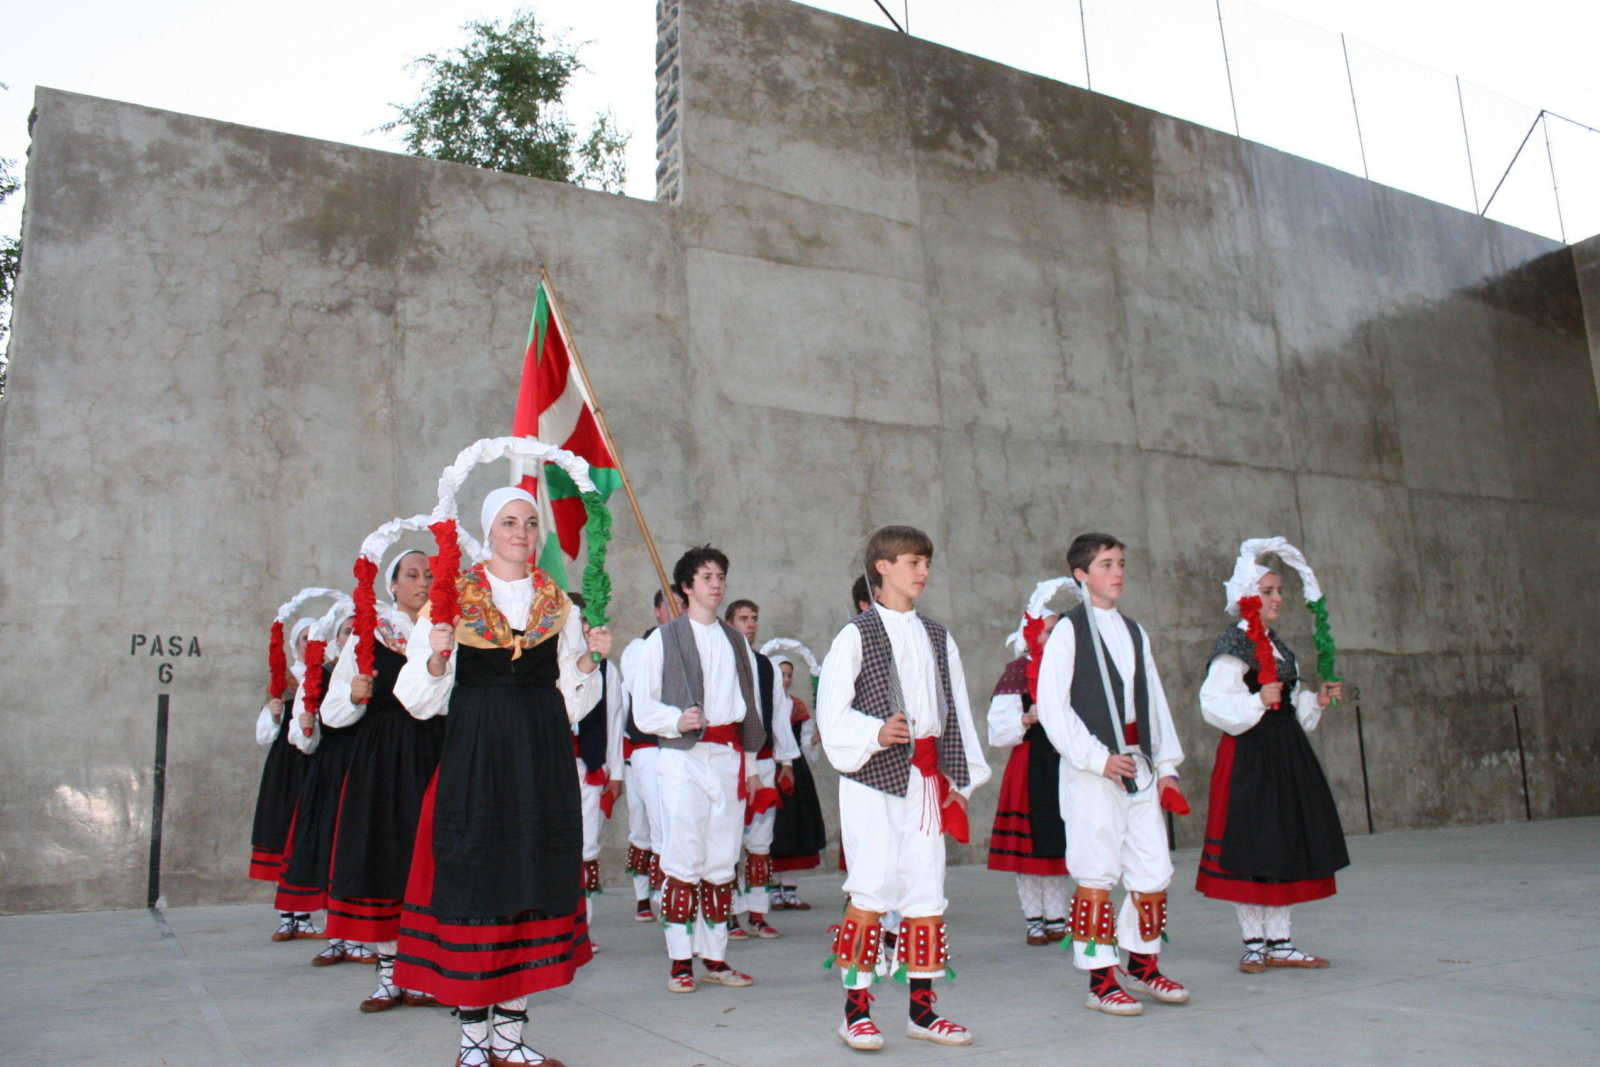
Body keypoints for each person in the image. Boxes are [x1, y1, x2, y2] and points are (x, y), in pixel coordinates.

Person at [393, 486, 610, 1067]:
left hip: (540, 756)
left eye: (530, 523)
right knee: (477, 884)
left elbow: (573, 700)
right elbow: (417, 700)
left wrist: (589, 660)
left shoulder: (557, 604)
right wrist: (436, 656)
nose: (521, 532)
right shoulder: (452, 597)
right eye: (510, 522)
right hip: (477, 755)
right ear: (488, 530)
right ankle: (472, 1042)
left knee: (528, 881)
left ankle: (510, 1039)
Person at [817, 525, 990, 1051]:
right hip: (872, 779)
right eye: (913, 562)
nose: (923, 572)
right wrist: (875, 732)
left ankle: (923, 1011)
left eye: (927, 563)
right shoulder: (856, 634)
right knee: (870, 886)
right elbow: (831, 714)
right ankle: (855, 1012)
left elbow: (955, 710)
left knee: (925, 888)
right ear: (883, 566)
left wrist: (960, 780)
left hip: (926, 780)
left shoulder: (937, 635)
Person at [1036, 533, 1188, 1017]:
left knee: (1153, 869)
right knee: (1096, 870)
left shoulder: (1134, 631)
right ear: (1081, 575)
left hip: (1139, 765)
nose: (1117, 572)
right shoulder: (1069, 631)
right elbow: (1053, 707)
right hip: (1093, 772)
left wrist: (1167, 766)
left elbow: (1155, 700)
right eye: (1106, 564)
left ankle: (1142, 964)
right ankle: (1100, 980)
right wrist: (1097, 758)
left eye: (1121, 562)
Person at [628, 546, 766, 994]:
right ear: (686, 587)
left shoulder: (736, 641)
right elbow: (643, 706)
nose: (716, 584)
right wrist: (675, 719)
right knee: (683, 854)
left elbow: (751, 705)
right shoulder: (663, 639)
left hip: (728, 757)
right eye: (706, 577)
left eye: (720, 576)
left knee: (722, 857)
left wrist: (752, 763)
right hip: (683, 758)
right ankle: (679, 960)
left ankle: (716, 957)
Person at [1197, 566, 1348, 972]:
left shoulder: (1277, 645)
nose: (1278, 598)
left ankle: (1280, 943)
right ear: (1248, 597)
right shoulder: (1234, 645)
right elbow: (1213, 704)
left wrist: (1316, 701)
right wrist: (1257, 701)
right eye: (1267, 591)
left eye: (1279, 590)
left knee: (1281, 841)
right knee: (1251, 843)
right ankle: (1253, 943)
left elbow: (1290, 704)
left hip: (1285, 752)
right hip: (1250, 753)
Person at [320, 548, 446, 1011]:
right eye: (412, 574)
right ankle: (390, 973)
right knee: (387, 857)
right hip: (385, 758)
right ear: (392, 585)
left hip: (437, 751)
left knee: (429, 860)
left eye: (429, 574)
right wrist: (355, 696)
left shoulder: (447, 630)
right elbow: (332, 714)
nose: (422, 582)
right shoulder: (370, 635)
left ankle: (425, 972)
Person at [278, 606, 376, 967]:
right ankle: (337, 936)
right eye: (347, 631)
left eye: (357, 631)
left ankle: (361, 937)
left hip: (367, 764)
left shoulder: (374, 668)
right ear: (336, 639)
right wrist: (307, 726)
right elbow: (304, 737)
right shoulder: (321, 675)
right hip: (334, 768)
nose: (352, 637)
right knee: (333, 851)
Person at [986, 611, 1070, 946]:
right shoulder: (1018, 671)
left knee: (1058, 844)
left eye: (1058, 630)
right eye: (1048, 631)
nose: (1054, 636)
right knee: (1030, 848)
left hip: (1065, 761)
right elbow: (997, 729)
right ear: (1032, 634)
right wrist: (1025, 718)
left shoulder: (1070, 666)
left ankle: (1057, 917)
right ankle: (1034, 919)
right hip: (1030, 761)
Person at [723, 598, 801, 941]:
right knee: (728, 843)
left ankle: (757, 913)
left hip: (766, 761)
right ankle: (727, 914)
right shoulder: (721, 661)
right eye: (743, 618)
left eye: (754, 618)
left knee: (760, 842)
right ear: (729, 624)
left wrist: (787, 761)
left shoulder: (767, 666)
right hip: (730, 762)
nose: (751, 623)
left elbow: (780, 715)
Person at [251, 616, 317, 940]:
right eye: (305, 639)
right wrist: (274, 713)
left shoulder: (328, 675)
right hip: (288, 765)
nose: (310, 645)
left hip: (316, 760)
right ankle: (287, 915)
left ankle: (302, 914)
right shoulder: (286, 680)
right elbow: (264, 734)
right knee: (284, 833)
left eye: (316, 639)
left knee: (305, 836)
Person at [618, 589, 682, 922]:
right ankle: (651, 895)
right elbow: (642, 695)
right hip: (648, 747)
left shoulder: (692, 645)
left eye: (681, 605)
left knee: (675, 821)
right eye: (669, 605)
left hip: (682, 746)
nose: (676, 611)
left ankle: (671, 893)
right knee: (649, 823)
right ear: (657, 611)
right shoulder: (639, 648)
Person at [567, 590, 626, 942]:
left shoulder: (607, 667)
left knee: (587, 846)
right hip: (552, 768)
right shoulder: (545, 661)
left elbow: (615, 720)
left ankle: (582, 929)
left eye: (583, 621)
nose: (580, 627)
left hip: (589, 766)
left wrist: (616, 773)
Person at [769, 656, 827, 909]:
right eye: (781, 674)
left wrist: (813, 741)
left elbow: (804, 745)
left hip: (796, 772)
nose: (786, 679)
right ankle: (772, 889)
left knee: (794, 829)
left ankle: (790, 889)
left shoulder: (798, 707)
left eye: (789, 675)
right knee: (773, 830)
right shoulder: (764, 703)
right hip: (770, 769)